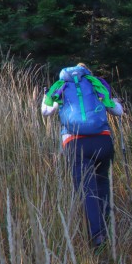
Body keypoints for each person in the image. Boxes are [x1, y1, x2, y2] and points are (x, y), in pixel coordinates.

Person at [41, 63, 123, 249]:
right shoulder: (96, 84)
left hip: (75, 143)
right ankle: (107, 229)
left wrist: (51, 100)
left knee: (87, 190)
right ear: (88, 73)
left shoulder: (61, 85)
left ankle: (98, 236)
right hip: (103, 141)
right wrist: (116, 102)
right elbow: (117, 111)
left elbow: (46, 112)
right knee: (103, 183)